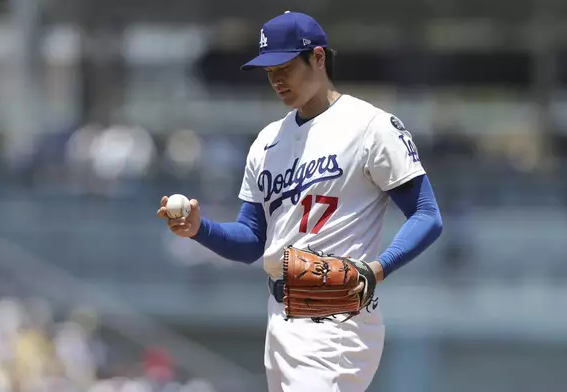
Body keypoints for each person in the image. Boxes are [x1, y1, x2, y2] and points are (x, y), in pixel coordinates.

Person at [157, 11, 443, 392]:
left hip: (334, 313)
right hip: (279, 316)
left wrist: (378, 269)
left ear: (319, 58)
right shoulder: (267, 142)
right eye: (268, 69)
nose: (276, 78)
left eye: (285, 66)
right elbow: (251, 242)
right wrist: (199, 229)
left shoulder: (371, 127)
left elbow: (427, 215)